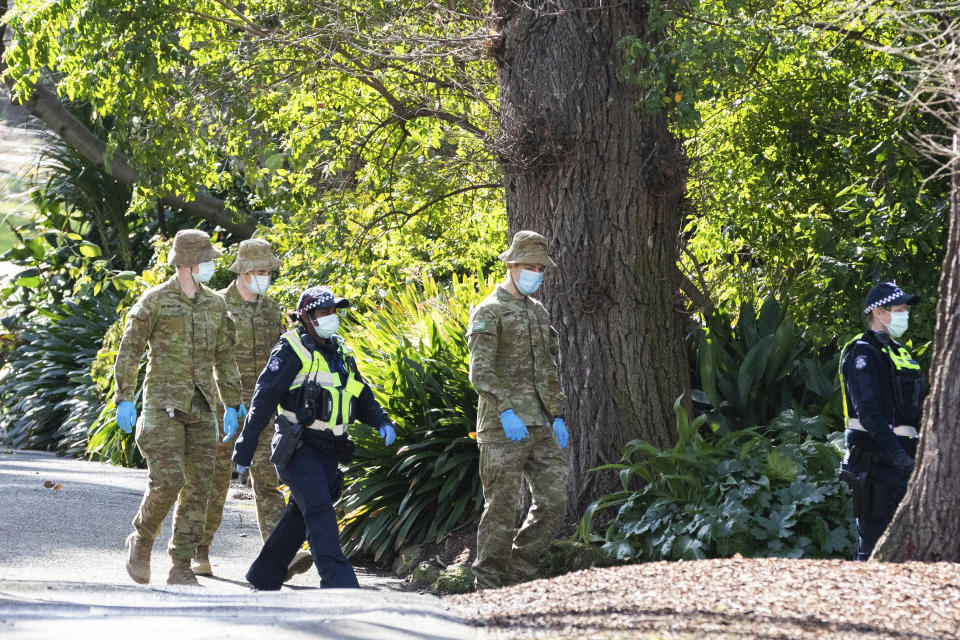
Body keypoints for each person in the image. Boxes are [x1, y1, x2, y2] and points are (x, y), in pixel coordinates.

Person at [232, 285, 397, 590]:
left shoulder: (341, 352)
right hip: (297, 447)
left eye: (333, 311)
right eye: (323, 312)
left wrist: (381, 420)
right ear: (306, 317)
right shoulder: (291, 349)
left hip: (330, 449)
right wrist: (245, 447)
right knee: (319, 508)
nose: (330, 317)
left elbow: (360, 394)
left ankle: (265, 575)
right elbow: (264, 399)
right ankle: (338, 580)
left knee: (300, 513)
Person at [114, 229, 243, 586]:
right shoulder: (155, 301)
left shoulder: (216, 304)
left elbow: (226, 357)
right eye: (208, 259)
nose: (212, 265)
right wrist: (124, 397)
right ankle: (141, 539)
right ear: (187, 262)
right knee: (169, 479)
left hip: (203, 406)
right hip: (162, 404)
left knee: (199, 487)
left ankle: (182, 564)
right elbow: (130, 350)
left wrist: (233, 403)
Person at [466, 230, 569, 591]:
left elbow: (548, 367)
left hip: (541, 422)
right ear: (511, 265)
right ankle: (488, 584)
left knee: (555, 499)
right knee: (501, 509)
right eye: (530, 266)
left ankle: (520, 571)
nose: (536, 273)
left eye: (540, 268)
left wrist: (556, 414)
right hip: (502, 425)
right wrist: (505, 411)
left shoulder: (538, 312)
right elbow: (480, 370)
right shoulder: (488, 310)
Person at [193, 239, 292, 577]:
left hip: (263, 412)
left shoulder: (272, 310)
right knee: (214, 482)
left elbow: (284, 358)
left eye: (268, 272)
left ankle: (279, 555)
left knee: (269, 481)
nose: (266, 277)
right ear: (245, 271)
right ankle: (198, 551)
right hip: (225, 410)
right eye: (261, 272)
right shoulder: (215, 305)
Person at [839, 281, 927, 561]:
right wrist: (896, 454)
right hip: (875, 462)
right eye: (899, 310)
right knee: (875, 546)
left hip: (905, 460)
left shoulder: (900, 352)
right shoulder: (862, 353)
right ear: (878, 312)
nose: (905, 315)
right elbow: (869, 412)